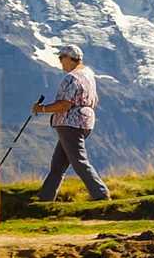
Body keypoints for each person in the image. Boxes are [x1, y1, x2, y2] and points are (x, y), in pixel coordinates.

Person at [33, 45, 111, 202]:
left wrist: (41, 109)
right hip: (85, 122)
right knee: (58, 164)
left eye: (61, 58)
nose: (60, 62)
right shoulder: (89, 75)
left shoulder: (71, 78)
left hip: (70, 123)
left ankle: (100, 194)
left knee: (79, 161)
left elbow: (64, 104)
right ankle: (45, 198)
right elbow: (94, 100)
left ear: (69, 58)